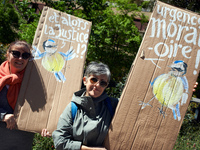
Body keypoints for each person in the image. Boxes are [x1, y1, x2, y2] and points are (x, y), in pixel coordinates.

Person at [52, 61, 118, 150]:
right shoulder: (73, 108)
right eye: (93, 79)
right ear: (85, 81)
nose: (97, 85)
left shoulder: (114, 106)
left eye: (102, 83)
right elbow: (60, 142)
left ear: (106, 86)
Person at [0, 40, 50, 150]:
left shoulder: (33, 82)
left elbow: (42, 107)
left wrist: (46, 124)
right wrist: (3, 115)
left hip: (22, 141)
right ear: (8, 54)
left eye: (25, 55)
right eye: (16, 54)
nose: (20, 58)